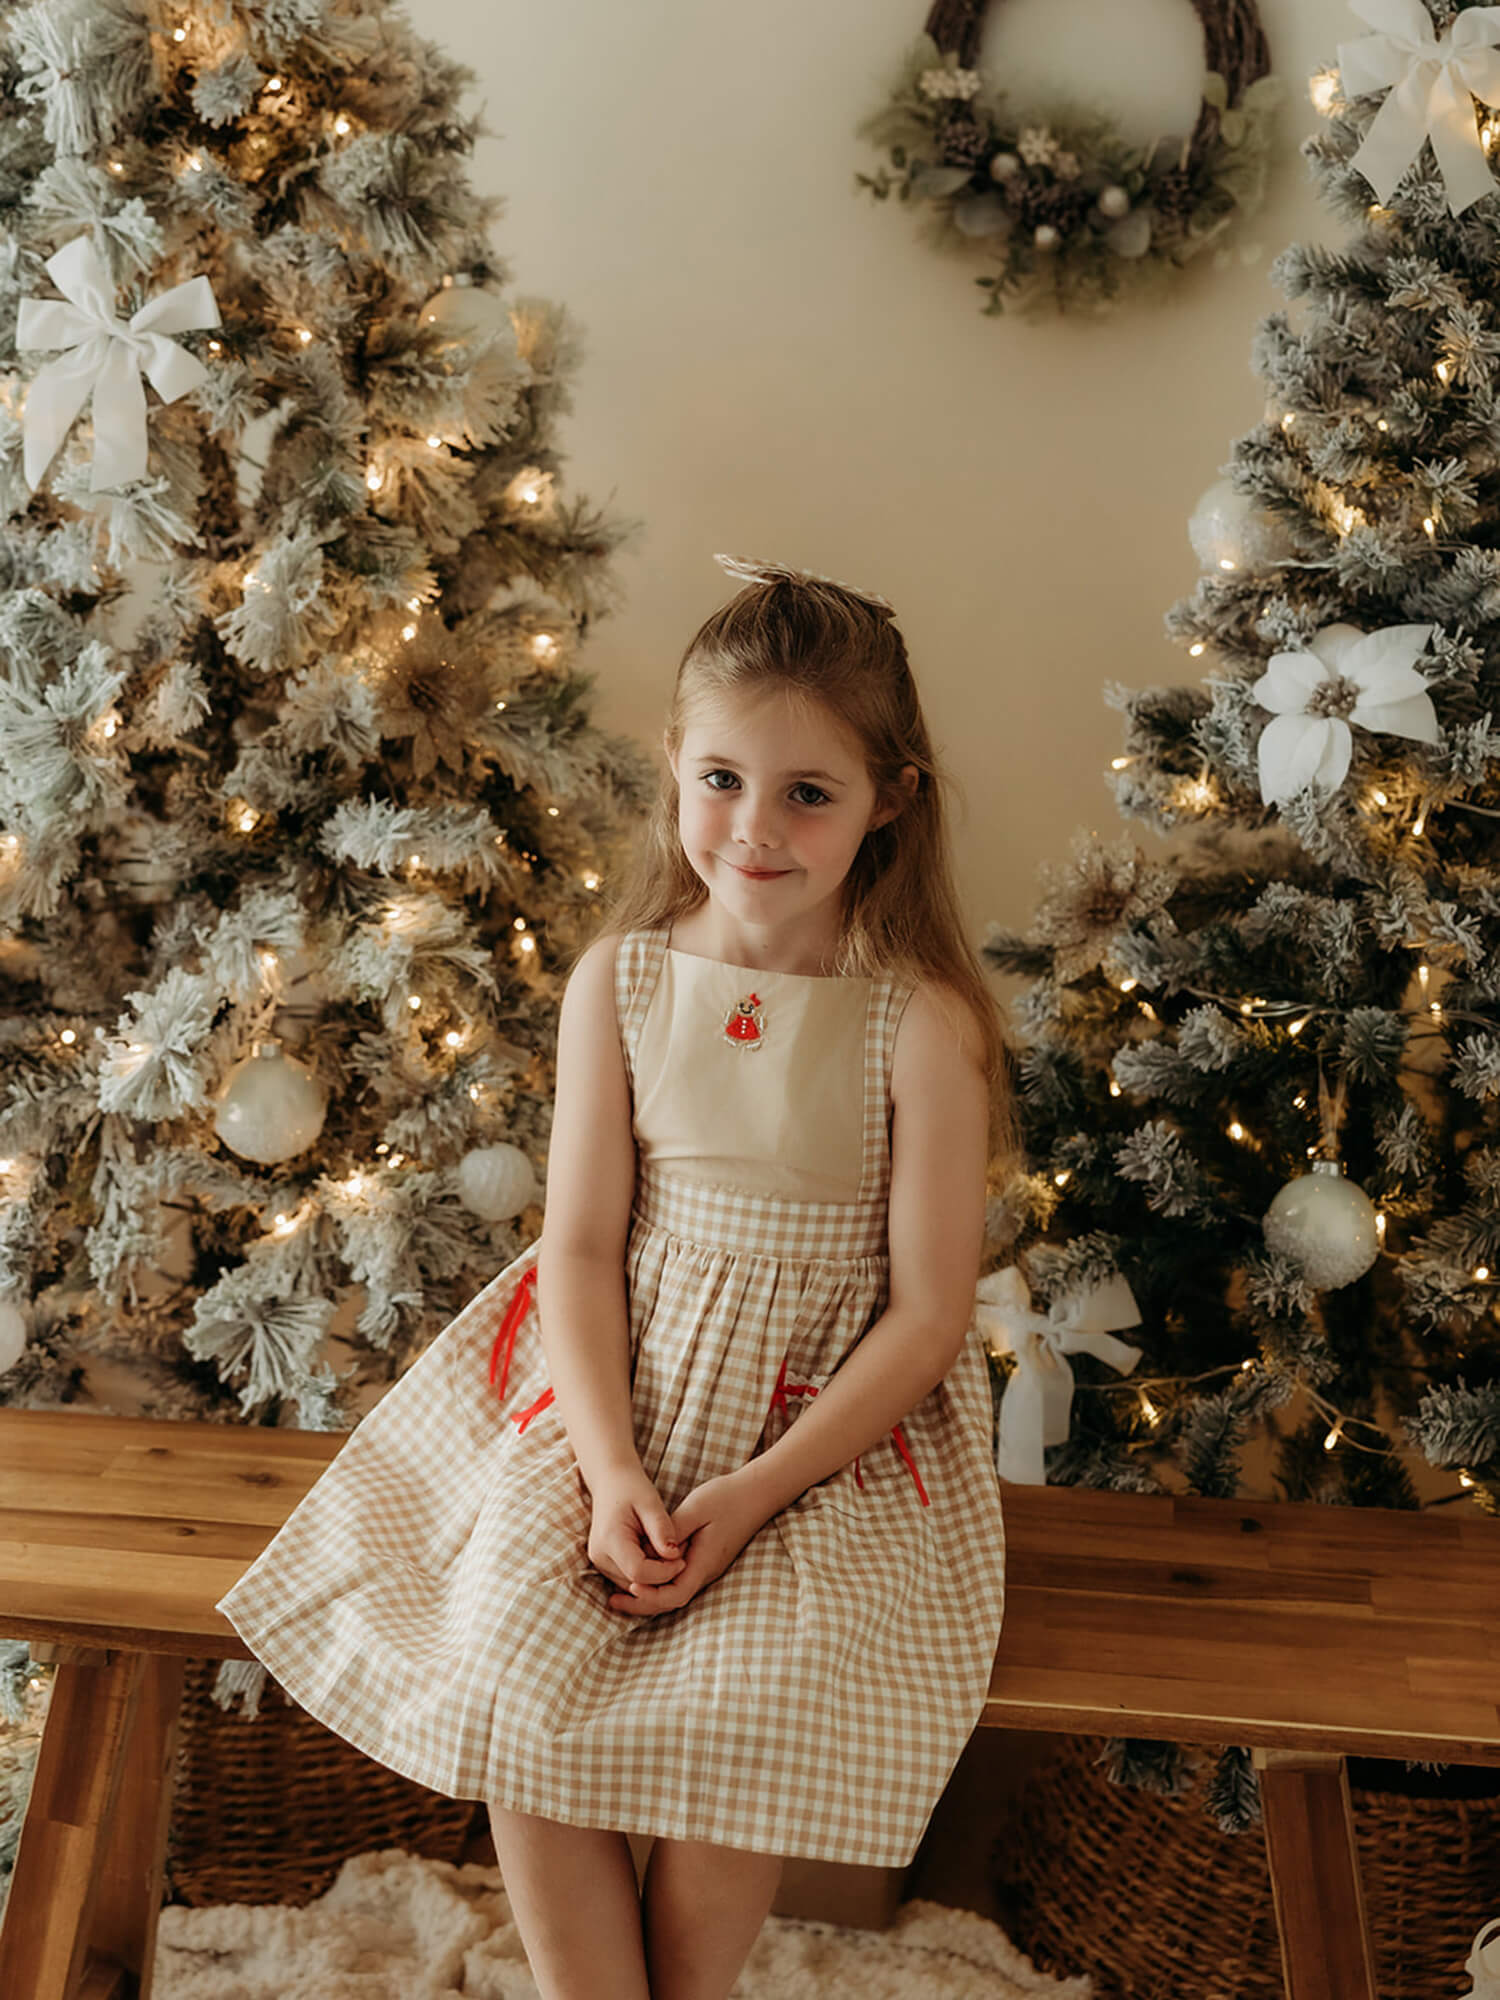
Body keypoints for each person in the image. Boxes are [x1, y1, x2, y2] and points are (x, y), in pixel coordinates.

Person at [215, 552, 1017, 2000]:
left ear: (891, 798)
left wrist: (752, 1492)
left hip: (821, 1447)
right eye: (722, 780)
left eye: (807, 793)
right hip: (610, 1405)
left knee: (746, 1712)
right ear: (674, 765)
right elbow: (578, 1251)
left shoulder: (919, 1023)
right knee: (517, 1679)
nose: (754, 828)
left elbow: (928, 1318)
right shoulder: (626, 982)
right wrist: (610, 1471)